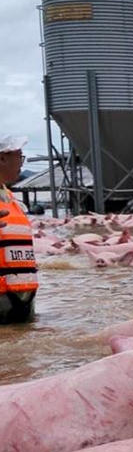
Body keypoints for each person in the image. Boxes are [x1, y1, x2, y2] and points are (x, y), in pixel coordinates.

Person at [0, 135, 38, 324]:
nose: (21, 164)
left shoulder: (10, 197)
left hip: (22, 298)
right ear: (2, 158)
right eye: (20, 157)